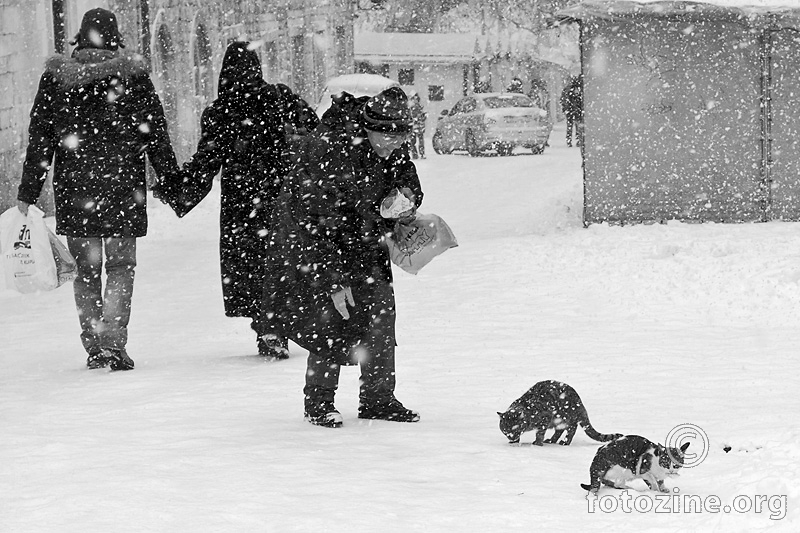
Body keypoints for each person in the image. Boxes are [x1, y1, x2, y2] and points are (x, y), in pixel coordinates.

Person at [16, 8, 181, 371]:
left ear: (79, 36)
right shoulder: (133, 79)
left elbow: (40, 140)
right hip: (123, 191)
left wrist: (28, 191)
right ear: (116, 38)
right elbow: (156, 134)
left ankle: (94, 344)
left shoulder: (56, 80)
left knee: (87, 272)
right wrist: (172, 180)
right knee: (121, 267)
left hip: (77, 192)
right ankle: (113, 343)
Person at [262, 87, 424, 428]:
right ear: (367, 128)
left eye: (401, 138)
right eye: (387, 138)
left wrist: (408, 197)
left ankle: (378, 398)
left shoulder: (390, 147)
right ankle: (319, 402)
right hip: (324, 244)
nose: (394, 145)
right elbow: (314, 224)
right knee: (332, 320)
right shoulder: (331, 150)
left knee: (380, 317)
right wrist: (333, 280)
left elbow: (405, 175)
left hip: (366, 241)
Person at [157, 42, 319, 359]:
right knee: (281, 257)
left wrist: (175, 188)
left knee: (251, 262)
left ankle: (268, 325)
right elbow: (314, 130)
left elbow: (206, 161)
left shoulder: (222, 112)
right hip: (281, 194)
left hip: (243, 202)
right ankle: (276, 324)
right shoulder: (281, 98)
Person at [561, 75, 584, 147]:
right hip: (576, 110)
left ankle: (569, 140)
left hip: (570, 111)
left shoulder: (567, 90)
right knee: (577, 126)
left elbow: (563, 100)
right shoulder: (580, 90)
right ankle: (577, 140)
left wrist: (565, 108)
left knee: (570, 126)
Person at [408, 92, 427, 159]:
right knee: (415, 141)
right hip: (416, 126)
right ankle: (417, 154)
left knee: (416, 141)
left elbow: (422, 117)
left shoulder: (417, 107)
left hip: (417, 126)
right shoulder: (416, 107)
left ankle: (418, 154)